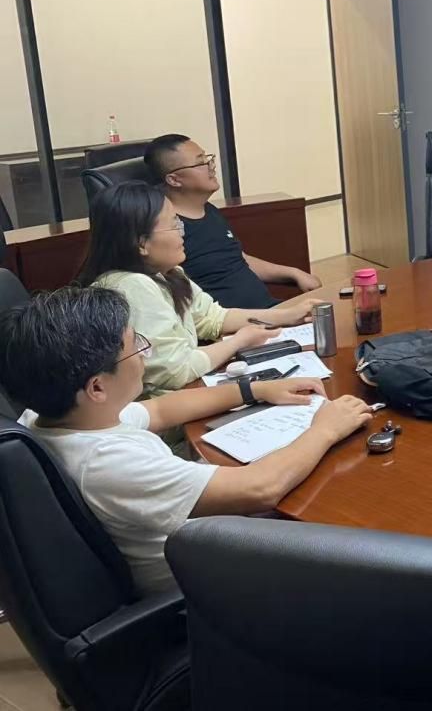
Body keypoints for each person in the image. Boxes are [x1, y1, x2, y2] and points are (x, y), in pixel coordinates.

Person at [0, 285, 372, 593]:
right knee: (352, 520)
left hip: (207, 544)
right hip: (211, 587)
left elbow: (162, 409)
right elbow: (261, 488)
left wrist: (255, 389)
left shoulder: (52, 416)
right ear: (97, 387)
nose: (146, 353)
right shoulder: (108, 462)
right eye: (135, 346)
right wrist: (325, 429)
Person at [78, 181, 322, 392]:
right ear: (141, 243)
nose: (182, 233)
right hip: (167, 410)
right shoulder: (132, 286)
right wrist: (237, 342)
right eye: (174, 224)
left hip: (190, 391)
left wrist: (288, 315)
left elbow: (212, 318)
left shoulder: (168, 273)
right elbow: (175, 371)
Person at [144, 134, 321, 309]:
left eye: (208, 158)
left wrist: (293, 273)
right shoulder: (167, 229)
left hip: (268, 311)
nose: (211, 166)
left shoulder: (209, 210)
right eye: (200, 163)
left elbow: (237, 258)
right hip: (232, 322)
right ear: (174, 180)